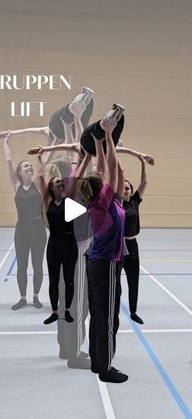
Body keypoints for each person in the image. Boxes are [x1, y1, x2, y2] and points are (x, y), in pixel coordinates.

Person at [78, 107, 128, 383]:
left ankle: (98, 362)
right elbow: (110, 168)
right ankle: (106, 369)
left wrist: (99, 142)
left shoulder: (105, 202)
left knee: (99, 314)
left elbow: (111, 169)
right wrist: (108, 136)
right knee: (108, 317)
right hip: (105, 264)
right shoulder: (101, 203)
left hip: (99, 262)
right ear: (102, 190)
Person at [35, 125, 92, 324]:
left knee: (68, 279)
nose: (60, 183)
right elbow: (40, 178)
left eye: (61, 182)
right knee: (53, 280)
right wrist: (40, 158)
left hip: (69, 244)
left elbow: (77, 177)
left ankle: (67, 310)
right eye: (57, 182)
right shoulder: (47, 201)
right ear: (51, 187)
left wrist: (85, 157)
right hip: (53, 245)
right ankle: (54, 311)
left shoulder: (69, 199)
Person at [1, 132, 46, 310]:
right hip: (22, 229)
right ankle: (22, 298)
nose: (29, 167)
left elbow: (43, 164)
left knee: (37, 266)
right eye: (25, 166)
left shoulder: (38, 184)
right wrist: (7, 141)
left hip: (38, 229)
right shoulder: (16, 185)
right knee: (22, 266)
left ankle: (35, 296)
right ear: (20, 172)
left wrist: (42, 153)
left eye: (30, 165)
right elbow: (8, 161)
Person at [0, 86, 94, 146]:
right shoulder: (61, 140)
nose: (50, 141)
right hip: (71, 127)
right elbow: (72, 146)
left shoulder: (46, 131)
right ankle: (87, 99)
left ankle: (79, 100)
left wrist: (11, 133)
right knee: (82, 124)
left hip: (56, 122)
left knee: (70, 112)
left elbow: (27, 131)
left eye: (49, 142)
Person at [123, 154, 149, 324]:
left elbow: (144, 182)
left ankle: (133, 311)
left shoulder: (134, 201)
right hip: (117, 246)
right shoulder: (114, 202)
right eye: (123, 188)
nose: (125, 190)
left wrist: (143, 162)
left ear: (131, 191)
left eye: (128, 188)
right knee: (115, 281)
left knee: (134, 280)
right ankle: (111, 307)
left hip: (132, 245)